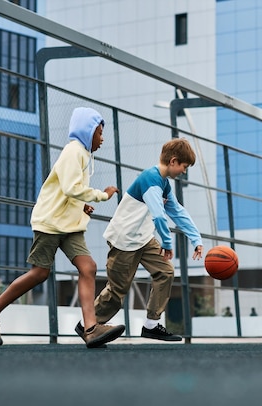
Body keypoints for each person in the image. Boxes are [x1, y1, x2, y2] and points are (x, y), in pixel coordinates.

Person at [0, 107, 125, 348]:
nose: (102, 138)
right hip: (51, 222)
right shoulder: (73, 152)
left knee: (88, 267)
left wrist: (81, 205)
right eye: (99, 132)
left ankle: (91, 329)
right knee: (39, 273)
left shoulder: (84, 154)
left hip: (69, 225)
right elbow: (69, 187)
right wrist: (101, 196)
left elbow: (70, 190)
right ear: (87, 132)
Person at [75, 137, 203, 342]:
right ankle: (86, 325)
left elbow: (176, 211)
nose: (184, 171)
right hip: (123, 240)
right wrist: (168, 244)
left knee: (165, 272)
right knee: (117, 292)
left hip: (143, 239)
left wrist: (196, 239)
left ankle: (151, 325)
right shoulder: (150, 179)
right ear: (173, 161)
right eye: (184, 166)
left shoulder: (163, 183)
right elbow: (158, 214)